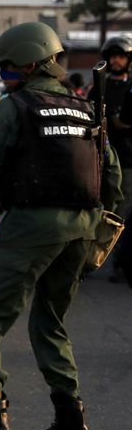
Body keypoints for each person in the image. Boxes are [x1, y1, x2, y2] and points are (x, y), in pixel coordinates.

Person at [0, 21, 123, 430]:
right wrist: (98, 228)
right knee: (50, 322)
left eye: (8, 68)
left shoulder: (16, 107)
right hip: (82, 228)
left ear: (27, 64)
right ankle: (71, 425)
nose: (6, 76)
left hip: (31, 227)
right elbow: (113, 178)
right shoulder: (84, 108)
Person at [95, 36, 132, 282]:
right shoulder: (99, 87)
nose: (117, 61)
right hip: (102, 157)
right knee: (99, 206)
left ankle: (120, 257)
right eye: (113, 56)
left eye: (121, 56)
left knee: (125, 207)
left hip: (128, 158)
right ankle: (92, 254)